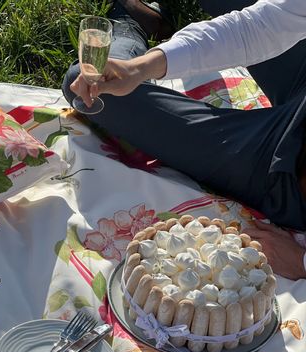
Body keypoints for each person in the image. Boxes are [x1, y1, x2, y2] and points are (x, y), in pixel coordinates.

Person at [62, 0, 306, 280]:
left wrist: (301, 261)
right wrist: (143, 66)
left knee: (89, 90)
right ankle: (143, 30)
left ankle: (130, 28)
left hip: (282, 168)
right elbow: (263, 25)